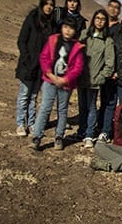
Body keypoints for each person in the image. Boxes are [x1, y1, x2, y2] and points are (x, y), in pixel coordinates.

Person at [31, 17, 85, 151]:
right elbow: (44, 57)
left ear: (75, 31)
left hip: (65, 84)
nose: (67, 30)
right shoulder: (53, 40)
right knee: (45, 107)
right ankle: (36, 137)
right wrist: (49, 73)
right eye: (65, 27)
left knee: (62, 109)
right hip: (50, 80)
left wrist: (65, 79)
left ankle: (59, 137)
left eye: (71, 28)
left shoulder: (77, 47)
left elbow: (78, 67)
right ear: (61, 27)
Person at [15, 0, 57, 136]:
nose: (49, 7)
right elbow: (22, 40)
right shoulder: (32, 19)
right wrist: (26, 57)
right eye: (47, 4)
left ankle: (31, 123)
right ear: (42, 4)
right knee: (24, 95)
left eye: (51, 5)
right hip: (28, 64)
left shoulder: (52, 24)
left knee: (33, 96)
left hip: (41, 67)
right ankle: (20, 124)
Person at [76, 9, 115, 148]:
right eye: (97, 18)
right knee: (82, 106)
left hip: (94, 80)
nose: (99, 21)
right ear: (93, 19)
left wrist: (100, 77)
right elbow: (76, 53)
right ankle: (81, 131)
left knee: (91, 107)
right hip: (81, 77)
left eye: (102, 19)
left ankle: (89, 134)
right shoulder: (84, 34)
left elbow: (110, 63)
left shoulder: (107, 41)